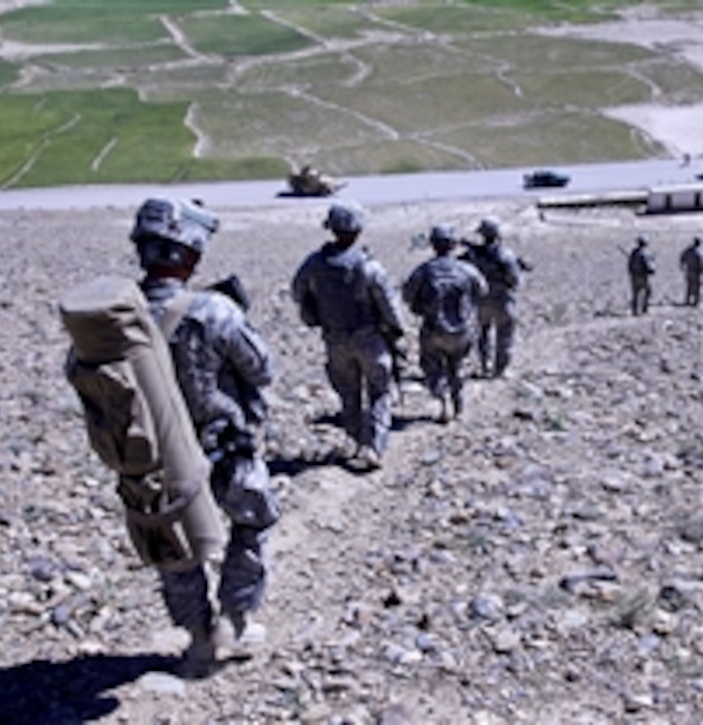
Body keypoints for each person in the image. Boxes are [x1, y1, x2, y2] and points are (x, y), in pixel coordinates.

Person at [131, 197, 279, 674]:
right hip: (222, 449)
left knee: (175, 547)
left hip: (153, 458)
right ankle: (234, 621)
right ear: (189, 253)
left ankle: (197, 637)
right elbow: (262, 369)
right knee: (252, 521)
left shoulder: (118, 316)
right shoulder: (213, 310)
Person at [290, 201, 406, 472]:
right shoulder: (368, 266)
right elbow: (387, 302)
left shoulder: (315, 263)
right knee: (379, 392)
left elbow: (298, 291)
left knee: (348, 393)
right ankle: (373, 447)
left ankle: (354, 440)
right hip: (370, 339)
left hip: (335, 339)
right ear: (358, 231)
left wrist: (314, 314)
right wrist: (397, 329)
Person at [402, 224, 488, 423]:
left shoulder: (424, 270)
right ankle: (459, 404)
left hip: (434, 329)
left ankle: (443, 402)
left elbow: (407, 296)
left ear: (433, 245)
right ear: (454, 245)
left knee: (432, 366)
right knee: (457, 367)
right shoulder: (467, 269)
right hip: (462, 329)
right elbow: (482, 290)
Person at [460, 216, 523, 378]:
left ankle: (485, 366)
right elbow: (514, 280)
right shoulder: (506, 254)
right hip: (503, 300)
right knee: (505, 335)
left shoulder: (472, 254)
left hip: (482, 300)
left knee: (483, 334)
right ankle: (499, 370)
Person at [626, 235, 656, 316]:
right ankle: (644, 308)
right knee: (648, 291)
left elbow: (629, 264)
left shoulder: (634, 252)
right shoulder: (646, 253)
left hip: (634, 276)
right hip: (643, 276)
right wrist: (652, 271)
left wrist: (631, 273)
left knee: (635, 293)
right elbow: (649, 266)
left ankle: (635, 310)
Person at [679, 237, 703, 307]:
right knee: (697, 286)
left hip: (689, 270)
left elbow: (682, 257)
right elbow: (702, 263)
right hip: (696, 271)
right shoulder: (700, 252)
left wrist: (682, 266)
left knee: (689, 286)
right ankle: (696, 301)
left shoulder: (688, 250)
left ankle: (688, 300)